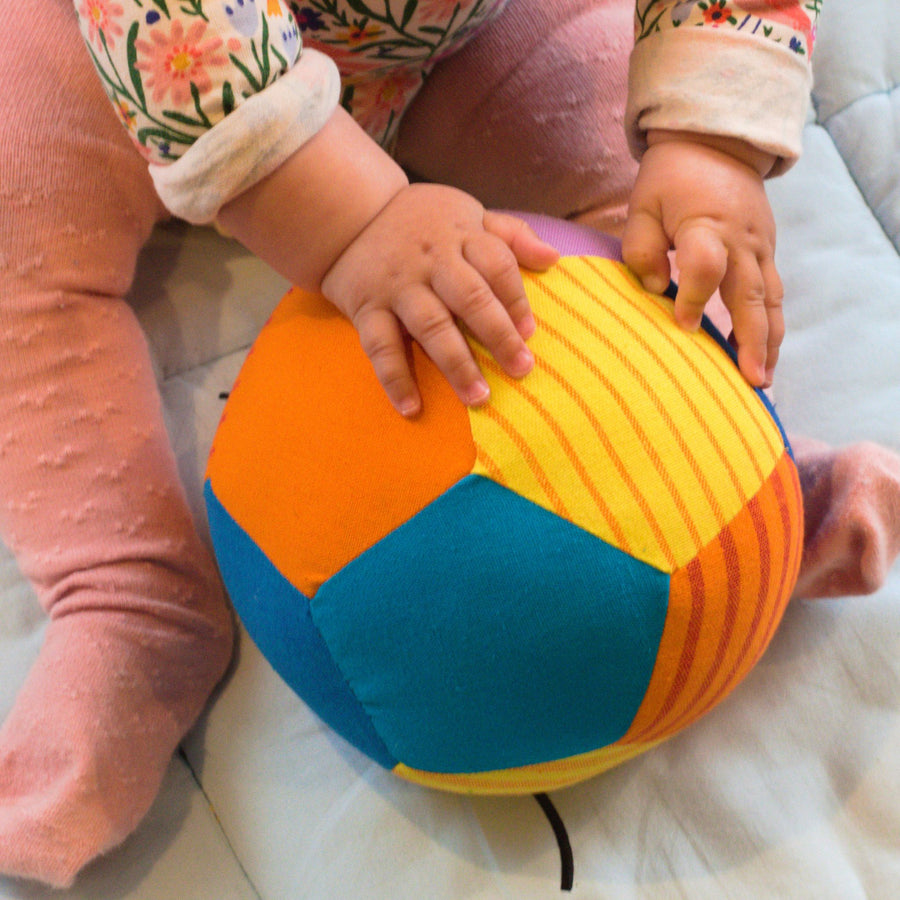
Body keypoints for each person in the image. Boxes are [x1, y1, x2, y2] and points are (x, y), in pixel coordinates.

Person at [1, 0, 898, 887]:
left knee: (648, 198)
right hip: (121, 59)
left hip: (448, 37)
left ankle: (734, 483)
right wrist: (347, 218)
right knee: (20, 221)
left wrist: (711, 139)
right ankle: (129, 594)